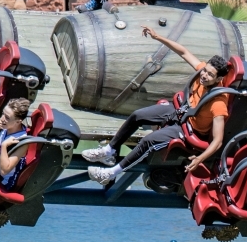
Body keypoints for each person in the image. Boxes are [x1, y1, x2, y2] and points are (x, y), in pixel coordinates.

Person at [87, 43, 231, 188]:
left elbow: (218, 141)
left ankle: (110, 174)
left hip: (188, 129)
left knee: (148, 141)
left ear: (218, 79)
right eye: (205, 70)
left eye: (210, 75)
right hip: (180, 111)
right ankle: (109, 151)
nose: (204, 75)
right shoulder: (203, 72)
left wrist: (200, 158)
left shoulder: (218, 103)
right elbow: (184, 52)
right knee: (137, 115)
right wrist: (157, 37)